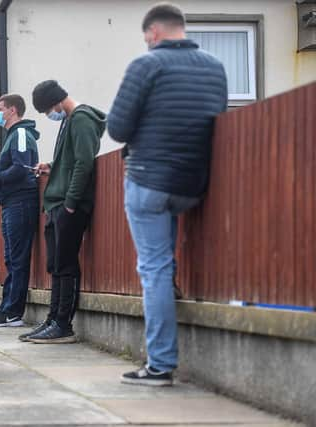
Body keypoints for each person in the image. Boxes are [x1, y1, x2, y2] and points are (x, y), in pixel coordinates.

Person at [107, 2, 227, 386]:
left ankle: (160, 365)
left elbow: (118, 128)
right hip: (192, 184)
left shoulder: (147, 65)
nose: (146, 43)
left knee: (154, 269)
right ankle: (162, 351)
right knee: (164, 267)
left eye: (146, 38)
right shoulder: (215, 67)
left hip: (148, 180)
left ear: (154, 32)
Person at [20, 80, 105, 343]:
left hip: (69, 205)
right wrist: (51, 166)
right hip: (57, 203)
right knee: (56, 264)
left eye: (47, 110)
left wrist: (70, 202)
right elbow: (71, 159)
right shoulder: (69, 120)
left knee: (65, 264)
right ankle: (53, 319)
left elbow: (84, 162)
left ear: (56, 102)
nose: (49, 116)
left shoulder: (81, 119)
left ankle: (62, 324)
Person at [0, 94, 40, 327]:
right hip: (11, 203)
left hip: (20, 202)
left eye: (0, 109)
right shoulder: (13, 136)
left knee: (17, 259)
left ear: (12, 110)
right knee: (10, 258)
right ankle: (5, 308)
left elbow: (21, 169)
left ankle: (13, 313)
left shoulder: (21, 134)